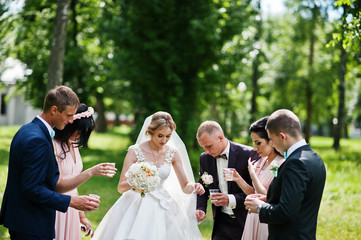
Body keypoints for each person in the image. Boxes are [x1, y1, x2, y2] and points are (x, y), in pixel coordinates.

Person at [0, 86, 99, 240]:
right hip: (31, 224)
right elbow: (32, 189)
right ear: (54, 110)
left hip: (22, 220)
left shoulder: (27, 130)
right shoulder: (37, 140)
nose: (72, 120)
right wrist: (71, 201)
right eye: (69, 115)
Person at [92, 111, 205, 240]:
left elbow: (185, 186)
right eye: (160, 135)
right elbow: (121, 187)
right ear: (150, 132)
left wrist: (194, 186)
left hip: (164, 203)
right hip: (136, 202)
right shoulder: (134, 151)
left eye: (168, 136)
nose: (164, 140)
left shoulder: (173, 153)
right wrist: (139, 180)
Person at [244, 109, 326, 240]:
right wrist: (269, 200)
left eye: (271, 139)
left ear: (282, 136)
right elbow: (299, 201)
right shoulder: (315, 158)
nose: (272, 144)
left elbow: (286, 212)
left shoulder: (295, 163)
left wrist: (260, 207)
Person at [53, 103, 117, 240]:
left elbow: (73, 185)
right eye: (79, 130)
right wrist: (90, 172)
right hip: (58, 207)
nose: (80, 135)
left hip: (72, 207)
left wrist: (81, 216)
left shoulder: (73, 144)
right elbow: (58, 186)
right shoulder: (53, 145)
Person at [196, 120, 258, 240]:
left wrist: (230, 199)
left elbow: (256, 193)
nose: (206, 151)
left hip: (246, 221)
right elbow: (202, 187)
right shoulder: (204, 158)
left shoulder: (247, 154)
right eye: (203, 147)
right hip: (221, 223)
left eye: (208, 146)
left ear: (220, 137)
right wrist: (201, 209)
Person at [230, 117, 285, 240]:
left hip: (265, 220)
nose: (254, 148)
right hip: (253, 217)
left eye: (258, 143)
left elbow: (268, 196)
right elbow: (253, 193)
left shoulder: (281, 164)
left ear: (271, 140)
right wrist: (238, 179)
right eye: (254, 143)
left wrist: (253, 174)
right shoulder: (261, 161)